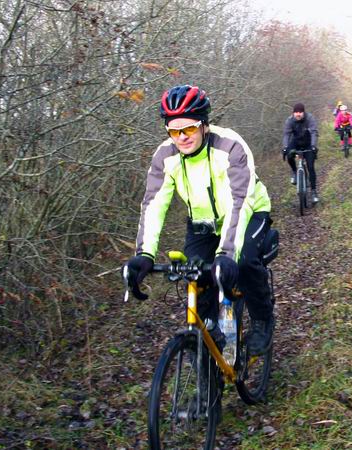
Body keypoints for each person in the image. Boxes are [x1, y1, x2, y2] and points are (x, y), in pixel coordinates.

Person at [124, 84, 275, 356]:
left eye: (189, 128)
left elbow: (240, 203)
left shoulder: (231, 147)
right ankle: (209, 349)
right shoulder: (164, 156)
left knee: (246, 262)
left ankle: (263, 320)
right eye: (173, 130)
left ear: (204, 124)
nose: (181, 137)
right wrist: (144, 253)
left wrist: (227, 254)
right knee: (197, 279)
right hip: (202, 223)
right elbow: (154, 204)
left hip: (250, 212)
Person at [282, 103, 319, 203]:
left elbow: (314, 132)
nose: (298, 114)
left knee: (311, 167)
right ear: (293, 113)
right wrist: (285, 147)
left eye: (300, 112)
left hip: (308, 143)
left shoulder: (310, 118)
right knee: (288, 153)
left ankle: (314, 191)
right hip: (296, 142)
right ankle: (294, 172)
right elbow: (286, 134)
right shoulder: (289, 121)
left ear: (304, 112)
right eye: (296, 112)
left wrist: (313, 145)